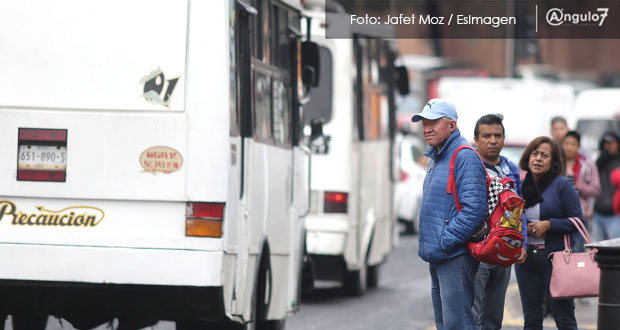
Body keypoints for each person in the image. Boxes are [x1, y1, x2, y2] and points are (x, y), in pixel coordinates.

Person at [412, 99, 487, 330]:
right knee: (445, 324)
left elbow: (475, 209)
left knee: (459, 324)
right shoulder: (438, 156)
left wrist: (446, 241)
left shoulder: (464, 156)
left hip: (454, 255)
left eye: (433, 123)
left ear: (452, 126)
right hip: (439, 255)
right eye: (424, 122)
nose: (427, 128)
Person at [515, 136, 582, 330]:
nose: (538, 159)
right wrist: (522, 228)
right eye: (534, 154)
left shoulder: (562, 185)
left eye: (544, 155)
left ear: (553, 162)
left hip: (556, 259)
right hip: (526, 260)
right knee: (532, 320)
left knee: (564, 318)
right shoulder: (519, 185)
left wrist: (549, 225)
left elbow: (577, 221)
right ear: (527, 157)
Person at [471, 114, 527, 330]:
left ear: (504, 138)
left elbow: (519, 208)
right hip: (478, 251)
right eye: (486, 136)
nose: (493, 140)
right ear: (476, 140)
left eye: (498, 135)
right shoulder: (470, 166)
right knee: (473, 313)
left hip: (503, 250)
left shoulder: (510, 169)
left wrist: (521, 242)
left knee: (494, 316)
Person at [561, 131, 600, 252]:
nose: (569, 147)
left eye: (573, 144)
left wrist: (579, 187)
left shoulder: (587, 164)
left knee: (577, 253)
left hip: (580, 216)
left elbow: (596, 189)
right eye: (566, 143)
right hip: (559, 216)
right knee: (559, 254)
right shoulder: (555, 163)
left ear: (578, 146)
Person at [592, 131, 620, 242]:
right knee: (596, 251)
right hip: (598, 213)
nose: (608, 146)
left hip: (615, 215)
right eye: (605, 143)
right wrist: (603, 157)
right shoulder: (600, 161)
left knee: (616, 251)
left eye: (611, 143)